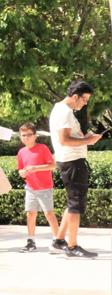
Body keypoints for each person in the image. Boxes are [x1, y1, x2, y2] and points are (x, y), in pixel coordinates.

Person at [49, 80, 102, 259]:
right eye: (84, 99)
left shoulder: (62, 110)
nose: (85, 103)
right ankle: (72, 247)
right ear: (74, 96)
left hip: (71, 161)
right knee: (76, 205)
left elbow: (68, 137)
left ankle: (59, 241)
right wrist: (88, 140)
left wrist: (84, 137)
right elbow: (64, 140)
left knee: (73, 203)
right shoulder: (64, 112)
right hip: (72, 162)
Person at [16, 123, 60, 253]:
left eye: (29, 135)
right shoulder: (21, 152)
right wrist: (21, 173)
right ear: (20, 137)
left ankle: (58, 240)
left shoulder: (42, 148)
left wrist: (36, 168)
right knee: (30, 213)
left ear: (35, 136)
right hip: (30, 187)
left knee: (49, 213)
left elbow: (52, 165)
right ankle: (31, 240)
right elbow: (20, 168)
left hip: (44, 187)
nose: (26, 138)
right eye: (23, 135)